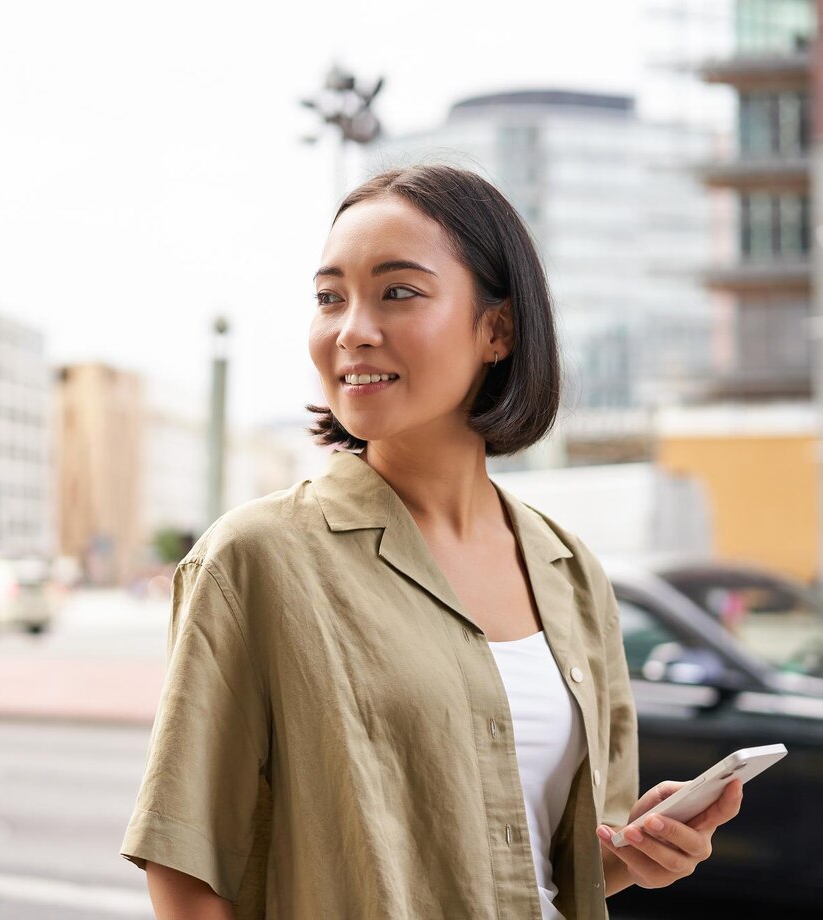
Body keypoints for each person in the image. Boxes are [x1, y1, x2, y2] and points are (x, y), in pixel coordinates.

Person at [119, 164, 743, 920]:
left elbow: (546, 866)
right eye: (329, 298)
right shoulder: (255, 559)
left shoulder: (571, 571)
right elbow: (187, 871)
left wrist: (637, 855)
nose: (351, 329)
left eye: (397, 292)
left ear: (497, 330)